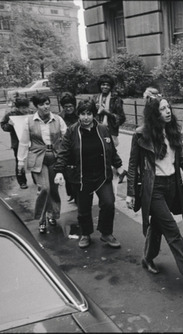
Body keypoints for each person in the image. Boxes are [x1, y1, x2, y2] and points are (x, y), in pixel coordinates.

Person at [125, 96, 183, 288]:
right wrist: (131, 192)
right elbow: (133, 165)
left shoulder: (173, 130)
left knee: (158, 226)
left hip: (173, 185)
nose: (168, 111)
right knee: (172, 230)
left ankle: (148, 257)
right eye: (162, 109)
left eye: (168, 107)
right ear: (153, 113)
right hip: (154, 188)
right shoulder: (141, 135)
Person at [53, 98, 124, 249]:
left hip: (102, 175)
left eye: (89, 114)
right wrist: (59, 171)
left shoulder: (103, 129)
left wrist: (118, 166)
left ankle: (106, 233)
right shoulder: (72, 131)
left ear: (94, 115)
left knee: (109, 204)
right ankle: (86, 234)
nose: (86, 117)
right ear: (78, 115)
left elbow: (111, 151)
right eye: (83, 114)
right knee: (84, 208)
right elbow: (63, 152)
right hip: (81, 177)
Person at [17, 94, 67, 234]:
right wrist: (20, 161)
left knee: (53, 189)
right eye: (42, 104)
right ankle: (41, 219)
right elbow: (24, 142)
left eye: (47, 103)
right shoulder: (29, 121)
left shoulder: (57, 119)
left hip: (55, 157)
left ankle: (53, 214)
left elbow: (67, 137)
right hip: (38, 157)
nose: (45, 107)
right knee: (44, 188)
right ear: (36, 106)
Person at [93, 74, 127, 183]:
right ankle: (119, 171)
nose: (105, 87)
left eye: (107, 85)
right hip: (97, 130)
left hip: (110, 130)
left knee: (109, 152)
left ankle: (115, 173)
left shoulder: (116, 99)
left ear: (110, 86)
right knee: (103, 152)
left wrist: (106, 112)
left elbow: (121, 118)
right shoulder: (95, 98)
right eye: (103, 84)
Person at [0, 96, 32, 189]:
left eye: (27, 107)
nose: (25, 110)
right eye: (23, 108)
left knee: (34, 159)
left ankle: (36, 179)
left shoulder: (31, 113)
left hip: (32, 140)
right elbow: (3, 126)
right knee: (20, 161)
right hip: (17, 142)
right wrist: (9, 125)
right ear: (17, 108)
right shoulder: (11, 115)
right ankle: (22, 181)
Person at [58, 93, 79, 203]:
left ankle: (77, 195)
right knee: (67, 173)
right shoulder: (59, 118)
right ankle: (71, 192)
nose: (69, 109)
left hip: (78, 146)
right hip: (66, 148)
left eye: (71, 106)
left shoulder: (79, 115)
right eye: (66, 107)